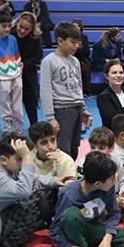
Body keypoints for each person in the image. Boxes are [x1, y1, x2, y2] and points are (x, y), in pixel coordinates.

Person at [0, 132, 64, 247]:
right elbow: (24, 191)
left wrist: (56, 181)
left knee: (48, 192)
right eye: (20, 159)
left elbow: (32, 179)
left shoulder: (8, 168)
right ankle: (9, 245)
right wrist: (26, 157)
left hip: (2, 215)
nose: (24, 163)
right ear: (3, 160)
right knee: (36, 202)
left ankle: (21, 232)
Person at [50, 151, 124, 247]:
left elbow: (114, 214)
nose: (114, 181)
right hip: (75, 233)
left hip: (94, 229)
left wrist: (107, 238)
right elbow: (55, 230)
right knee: (71, 215)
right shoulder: (69, 194)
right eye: (112, 179)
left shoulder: (108, 187)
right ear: (97, 183)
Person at [40, 22, 93, 160]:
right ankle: (65, 178)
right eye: (73, 42)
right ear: (60, 41)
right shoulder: (49, 61)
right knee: (64, 149)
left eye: (78, 43)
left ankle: (71, 174)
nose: (76, 46)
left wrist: (84, 109)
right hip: (62, 110)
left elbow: (78, 87)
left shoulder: (75, 61)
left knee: (75, 146)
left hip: (77, 108)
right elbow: (45, 90)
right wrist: (50, 117)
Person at [12, 12, 42, 125]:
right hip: (10, 75)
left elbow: (38, 55)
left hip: (28, 76)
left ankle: (34, 126)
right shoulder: (9, 35)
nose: (23, 31)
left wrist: (25, 64)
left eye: (27, 29)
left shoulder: (35, 38)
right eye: (21, 27)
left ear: (32, 29)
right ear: (17, 23)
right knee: (12, 106)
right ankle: (11, 131)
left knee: (31, 104)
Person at [72, 19, 92, 96]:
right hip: (72, 58)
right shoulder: (69, 37)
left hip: (82, 58)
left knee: (85, 66)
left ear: (80, 28)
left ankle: (86, 91)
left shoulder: (84, 37)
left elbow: (87, 52)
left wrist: (80, 49)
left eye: (76, 27)